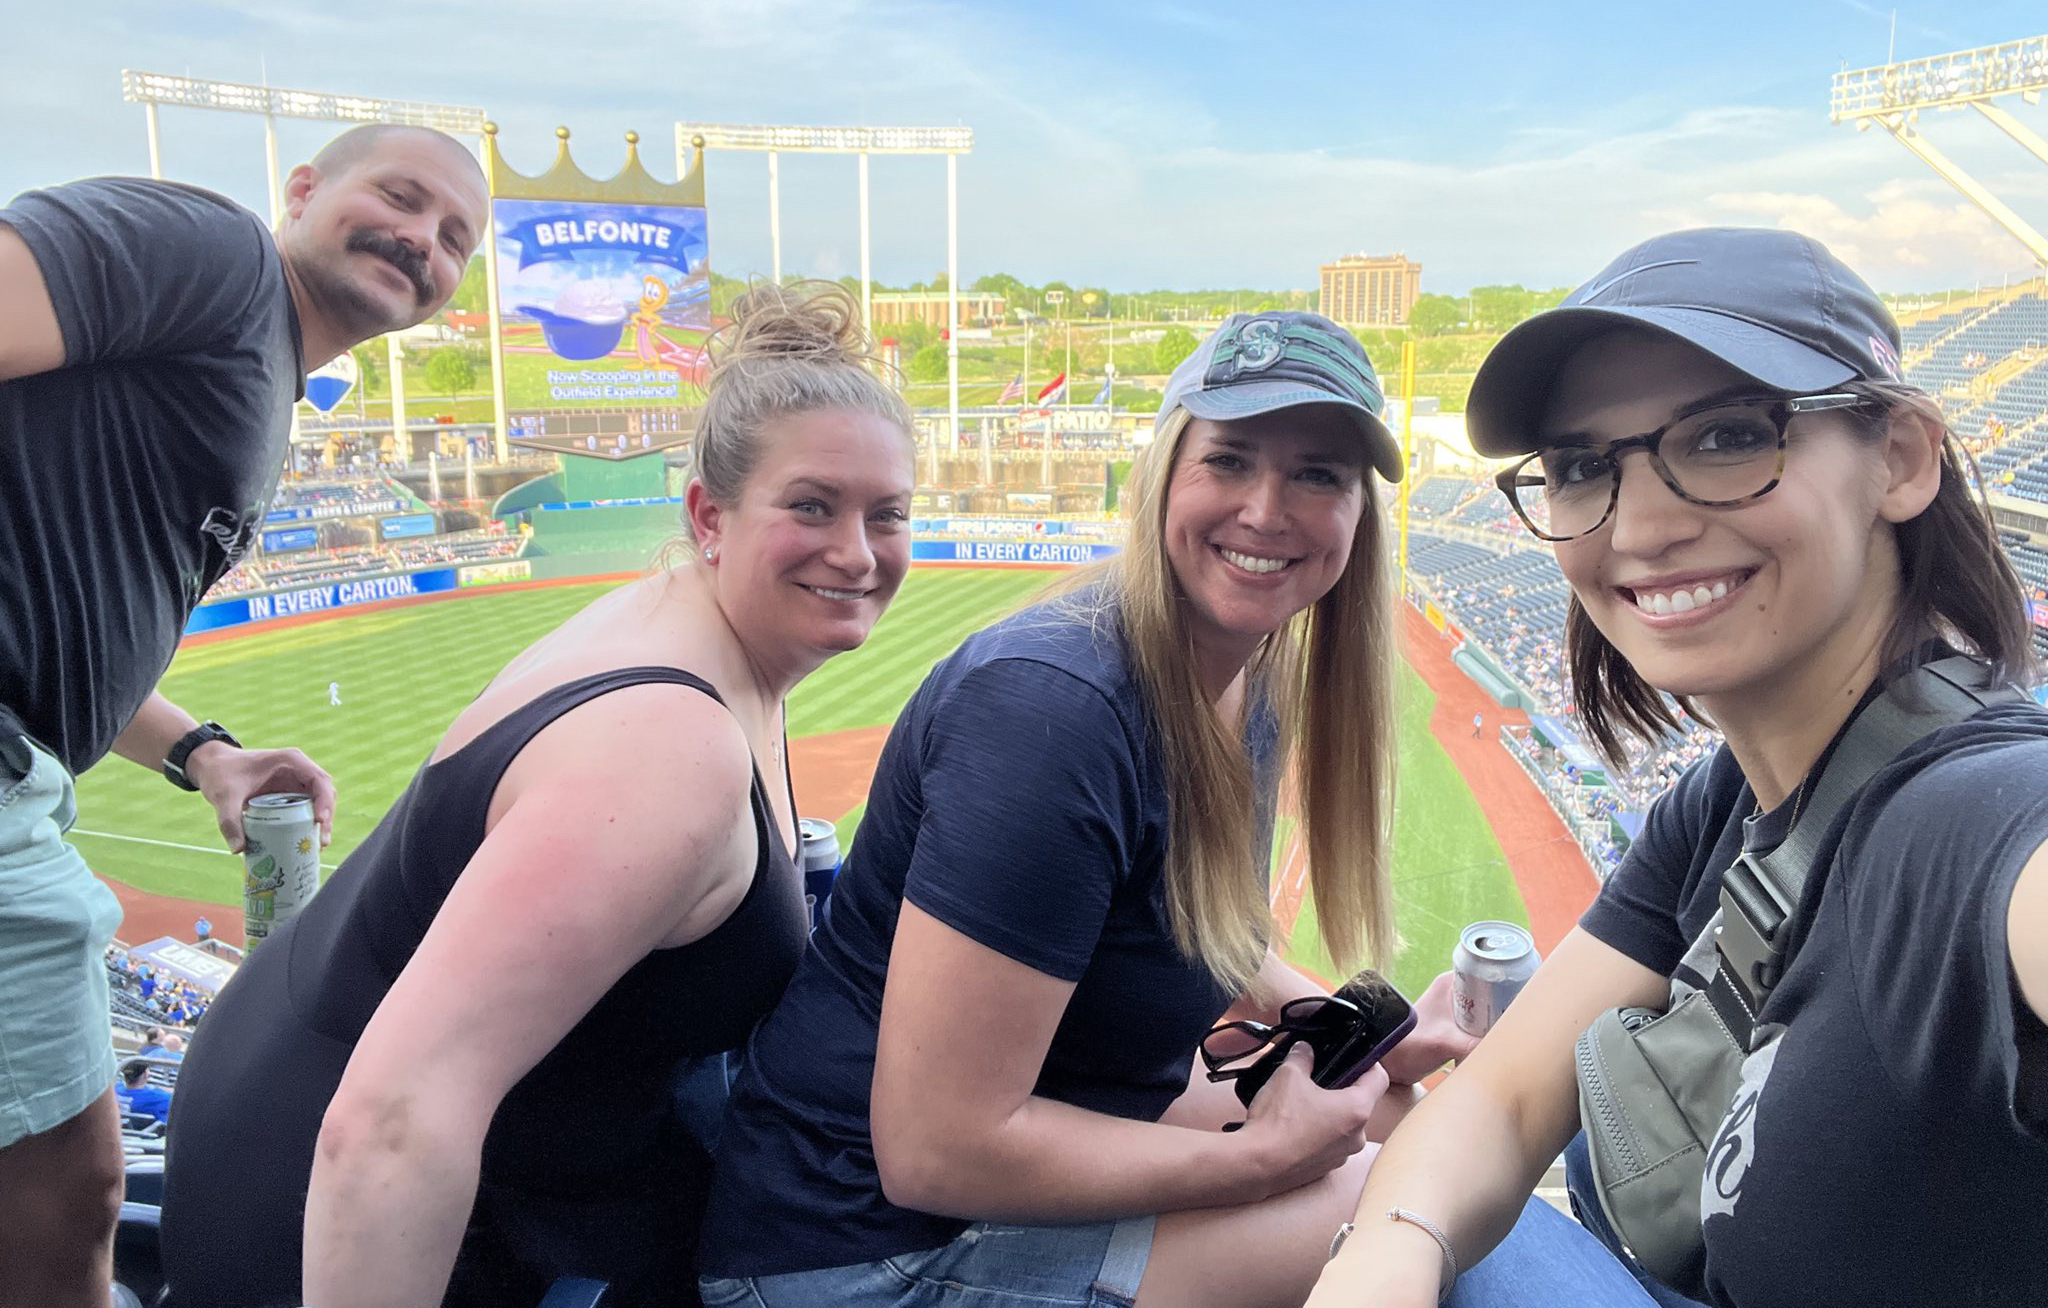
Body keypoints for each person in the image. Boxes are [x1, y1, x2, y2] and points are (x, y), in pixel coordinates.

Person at [1309, 229, 2048, 1308]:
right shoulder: (1722, 800)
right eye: (1578, 468)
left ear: (1898, 460)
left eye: (1727, 436)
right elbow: (1505, 1100)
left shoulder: (1968, 815)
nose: (1642, 527)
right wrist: (1387, 1252)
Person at [699, 311, 1475, 1308]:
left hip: (1023, 1152)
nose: (1266, 509)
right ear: (1163, 477)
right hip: (854, 1248)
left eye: (1317, 474)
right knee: (1414, 1196)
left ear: (1355, 515)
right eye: (1229, 459)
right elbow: (934, 1153)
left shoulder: (1251, 676)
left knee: (1399, 1117)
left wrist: (1341, 1026)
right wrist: (1262, 1160)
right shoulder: (1050, 712)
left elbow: (1190, 923)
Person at [162, 286, 918, 1308]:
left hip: (338, 1125)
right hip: (338, 1220)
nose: (858, 553)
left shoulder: (698, 640)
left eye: (887, 515)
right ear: (708, 514)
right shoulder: (663, 745)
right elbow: (394, 1116)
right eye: (811, 506)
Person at [0, 123, 486, 1305]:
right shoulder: (211, 250)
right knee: (66, 1189)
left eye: (454, 238)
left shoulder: (260, 370)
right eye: (402, 197)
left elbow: (64, 610)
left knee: (63, 1193)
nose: (422, 239)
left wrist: (202, 753)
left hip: (29, 765)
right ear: (304, 189)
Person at [114, 1062, 170, 1128]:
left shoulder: (116, 1089)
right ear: (146, 1074)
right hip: (148, 1135)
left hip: (123, 1131)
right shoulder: (156, 1097)